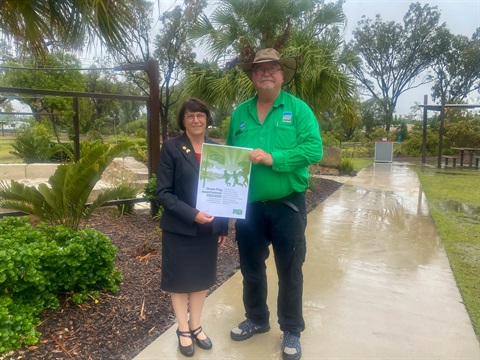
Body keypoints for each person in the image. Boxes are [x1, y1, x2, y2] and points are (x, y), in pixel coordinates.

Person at [226, 48, 323, 360]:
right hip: (249, 208)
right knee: (251, 269)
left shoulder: (298, 110)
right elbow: (230, 157)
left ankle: (291, 329)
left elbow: (313, 149)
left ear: (282, 75)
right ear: (252, 76)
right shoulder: (240, 114)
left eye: (273, 68)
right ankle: (256, 318)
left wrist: (274, 158)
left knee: (290, 270)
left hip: (287, 205)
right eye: (259, 69)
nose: (266, 73)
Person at [156, 97, 229, 357]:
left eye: (200, 114)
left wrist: (222, 227)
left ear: (208, 118)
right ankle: (183, 329)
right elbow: (163, 193)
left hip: (208, 228)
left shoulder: (219, 149)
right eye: (190, 115)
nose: (196, 119)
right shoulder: (172, 148)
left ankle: (196, 325)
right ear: (183, 121)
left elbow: (225, 190)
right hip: (180, 227)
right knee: (180, 281)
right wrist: (193, 214)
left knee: (200, 280)